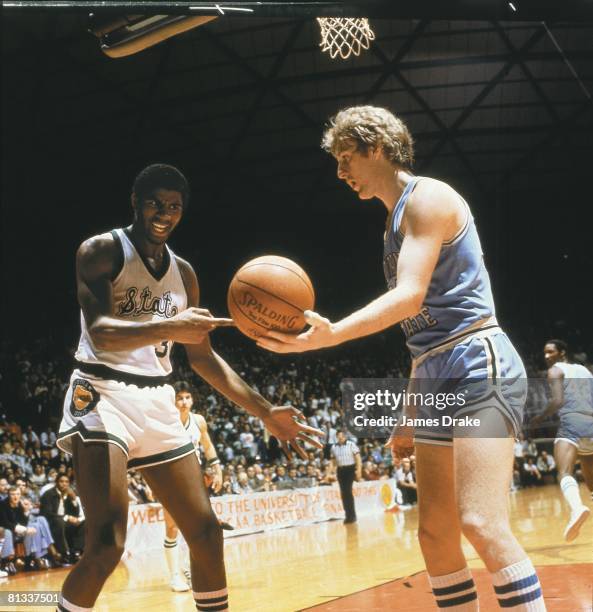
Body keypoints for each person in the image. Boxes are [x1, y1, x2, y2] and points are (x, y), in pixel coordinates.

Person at [258, 106, 545, 610]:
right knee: (434, 534)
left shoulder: (428, 198)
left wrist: (333, 334)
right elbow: (419, 339)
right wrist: (408, 419)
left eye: (348, 157)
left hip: (477, 360)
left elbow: (410, 297)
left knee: (480, 522)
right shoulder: (392, 225)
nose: (341, 172)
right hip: (434, 370)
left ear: (380, 148)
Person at [55, 163, 323, 612]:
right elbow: (100, 331)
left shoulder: (185, 274)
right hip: (103, 394)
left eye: (174, 206)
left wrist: (265, 411)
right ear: (136, 203)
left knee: (205, 533)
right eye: (155, 203)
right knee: (106, 544)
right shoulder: (102, 250)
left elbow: (202, 359)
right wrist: (173, 324)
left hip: (158, 398)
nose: (164, 213)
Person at [163, 381, 226, 593]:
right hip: (169, 478)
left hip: (195, 479)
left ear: (192, 399)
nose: (183, 402)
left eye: (187, 397)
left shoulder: (198, 420)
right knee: (172, 527)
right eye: (179, 398)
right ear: (172, 401)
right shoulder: (165, 422)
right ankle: (174, 576)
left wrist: (217, 468)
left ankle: (191, 569)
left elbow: (208, 447)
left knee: (198, 525)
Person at [531, 339, 593, 541]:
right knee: (591, 483)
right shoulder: (584, 370)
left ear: (562, 353)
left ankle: (576, 509)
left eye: (551, 352)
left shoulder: (556, 371)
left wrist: (539, 417)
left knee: (564, 472)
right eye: (545, 352)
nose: (547, 356)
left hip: (573, 421)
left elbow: (558, 401)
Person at [39, 473, 85, 564]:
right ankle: (65, 553)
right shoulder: (48, 494)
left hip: (64, 521)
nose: (64, 484)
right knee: (59, 522)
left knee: (83, 523)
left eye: (66, 482)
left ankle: (76, 551)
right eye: (61, 481)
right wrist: (66, 517)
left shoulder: (69, 493)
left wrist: (73, 499)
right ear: (56, 482)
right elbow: (47, 513)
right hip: (51, 522)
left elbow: (75, 513)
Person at [330, 431, 362, 524]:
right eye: (338, 436)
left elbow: (358, 458)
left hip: (350, 469)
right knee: (343, 493)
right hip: (340, 470)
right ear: (336, 437)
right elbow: (332, 461)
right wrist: (330, 472)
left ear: (345, 436)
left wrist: (359, 470)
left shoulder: (351, 445)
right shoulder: (333, 447)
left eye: (342, 436)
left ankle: (352, 515)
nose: (340, 438)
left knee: (348, 491)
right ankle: (348, 515)